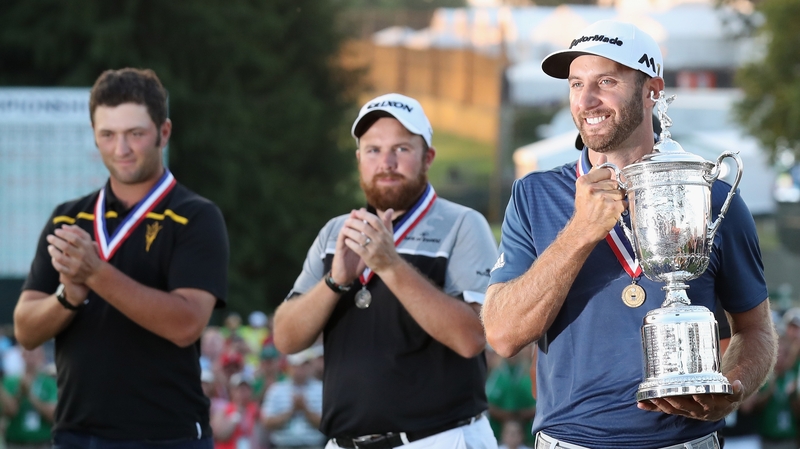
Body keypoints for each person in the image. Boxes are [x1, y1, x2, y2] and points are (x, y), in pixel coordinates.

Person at [482, 20, 777, 449]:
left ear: (652, 90)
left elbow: (757, 331)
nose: (587, 100)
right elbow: (503, 335)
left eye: (606, 81)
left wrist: (729, 390)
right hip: (569, 441)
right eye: (576, 84)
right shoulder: (534, 195)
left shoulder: (709, 194)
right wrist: (579, 233)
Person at [13, 68, 229, 448]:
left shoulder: (196, 216)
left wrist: (96, 273)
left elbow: (186, 323)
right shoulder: (68, 218)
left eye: (135, 134)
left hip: (166, 437)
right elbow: (26, 330)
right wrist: (68, 298)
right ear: (94, 137)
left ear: (164, 132)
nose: (121, 149)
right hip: (75, 434)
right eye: (107, 135)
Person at [273, 93, 499, 448]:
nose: (387, 162)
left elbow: (472, 338)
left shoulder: (463, 224)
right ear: (359, 159)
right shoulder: (336, 232)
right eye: (373, 150)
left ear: (428, 157)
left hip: (439, 438)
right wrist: (335, 282)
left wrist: (390, 265)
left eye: (402, 149)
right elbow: (286, 338)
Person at [261, 349, 325, 449]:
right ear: (289, 367)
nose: (300, 370)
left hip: (313, 445)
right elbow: (266, 422)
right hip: (283, 445)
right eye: (296, 366)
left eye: (304, 365)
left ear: (310, 366)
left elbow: (326, 423)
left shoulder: (321, 389)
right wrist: (291, 411)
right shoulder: (276, 390)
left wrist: (305, 409)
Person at [1, 347, 57, 449]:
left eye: (35, 355)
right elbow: (8, 412)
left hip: (43, 443)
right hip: (15, 442)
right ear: (21, 356)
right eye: (28, 354)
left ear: (42, 357)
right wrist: (20, 394)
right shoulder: (10, 381)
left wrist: (31, 396)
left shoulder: (49, 383)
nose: (31, 359)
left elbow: (53, 415)